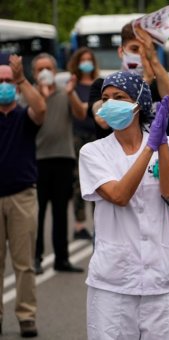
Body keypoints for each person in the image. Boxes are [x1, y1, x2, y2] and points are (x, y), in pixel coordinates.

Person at [78, 72, 169, 339]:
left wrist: (160, 142)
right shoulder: (93, 152)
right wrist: (149, 149)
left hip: (164, 280)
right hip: (114, 283)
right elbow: (119, 195)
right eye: (105, 99)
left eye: (119, 97)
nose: (110, 104)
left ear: (139, 103)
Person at [0, 54, 46, 338]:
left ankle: (26, 315)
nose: (4, 85)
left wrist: (21, 78)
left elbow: (40, 108)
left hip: (22, 196)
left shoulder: (24, 117)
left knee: (24, 262)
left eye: (8, 81)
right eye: (0, 81)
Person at [32, 53, 87, 275]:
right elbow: (35, 116)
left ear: (55, 71)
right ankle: (36, 257)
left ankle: (62, 258)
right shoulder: (30, 96)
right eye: (40, 69)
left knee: (60, 212)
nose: (45, 72)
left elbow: (81, 114)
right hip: (38, 160)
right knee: (38, 213)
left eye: (48, 68)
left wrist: (72, 93)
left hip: (63, 158)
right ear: (34, 73)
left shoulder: (65, 94)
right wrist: (42, 96)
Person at [87, 22, 169, 139]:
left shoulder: (163, 85)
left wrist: (154, 62)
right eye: (134, 49)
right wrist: (145, 83)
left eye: (146, 51)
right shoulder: (102, 86)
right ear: (121, 51)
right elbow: (102, 121)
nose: (141, 55)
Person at [67, 47, 99, 240]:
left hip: (96, 136)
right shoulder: (73, 85)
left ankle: (99, 223)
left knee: (98, 181)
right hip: (78, 136)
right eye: (83, 60)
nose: (86, 63)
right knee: (79, 181)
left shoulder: (97, 84)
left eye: (89, 59)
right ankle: (79, 225)